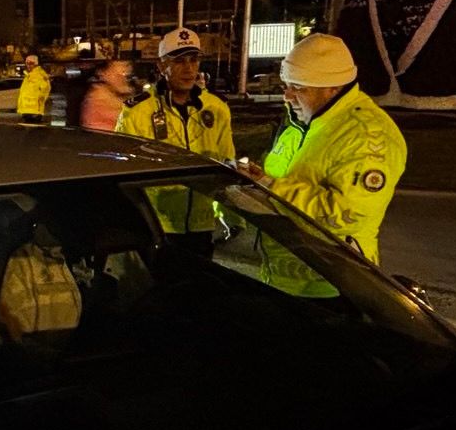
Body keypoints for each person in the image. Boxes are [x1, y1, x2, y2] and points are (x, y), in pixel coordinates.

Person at [252, 33, 407, 296]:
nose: (287, 96)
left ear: (332, 88)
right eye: (286, 85)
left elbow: (345, 216)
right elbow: (284, 179)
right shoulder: (302, 122)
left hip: (332, 289)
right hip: (283, 280)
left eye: (298, 87)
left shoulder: (367, 136)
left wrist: (269, 187)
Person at [116, 26, 234, 256]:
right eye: (179, 61)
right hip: (157, 226)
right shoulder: (137, 112)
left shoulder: (217, 108)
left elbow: (226, 165)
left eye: (194, 59)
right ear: (161, 66)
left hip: (202, 225)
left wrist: (229, 217)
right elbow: (124, 173)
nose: (189, 68)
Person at [81, 60, 133, 131]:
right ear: (103, 74)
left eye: (125, 75)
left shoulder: (124, 96)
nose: (124, 78)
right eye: (118, 76)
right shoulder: (98, 99)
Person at [17, 54, 51, 124]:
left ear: (36, 64)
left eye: (31, 63)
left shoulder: (40, 75)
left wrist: (40, 100)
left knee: (34, 130)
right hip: (26, 111)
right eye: (27, 63)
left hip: (35, 112)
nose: (28, 65)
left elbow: (46, 90)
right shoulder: (28, 76)